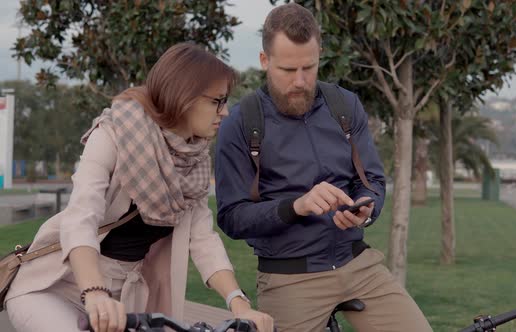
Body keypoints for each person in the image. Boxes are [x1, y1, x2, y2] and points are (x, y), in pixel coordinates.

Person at [5, 43, 273, 332]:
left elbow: (203, 241)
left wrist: (240, 304)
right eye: (217, 101)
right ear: (183, 97)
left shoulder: (193, 161)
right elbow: (81, 216)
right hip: (57, 288)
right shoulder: (113, 134)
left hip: (123, 304)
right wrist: (94, 292)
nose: (226, 111)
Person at [214, 3, 433, 332]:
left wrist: (367, 208)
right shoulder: (241, 123)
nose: (300, 81)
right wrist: (295, 207)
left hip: (358, 263)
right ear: (264, 61)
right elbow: (232, 217)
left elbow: (372, 179)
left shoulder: (345, 105)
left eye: (310, 67)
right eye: (288, 70)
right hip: (288, 277)